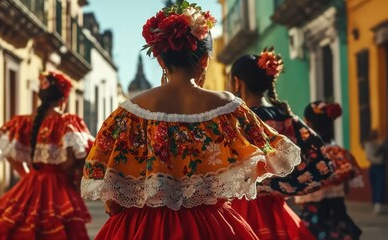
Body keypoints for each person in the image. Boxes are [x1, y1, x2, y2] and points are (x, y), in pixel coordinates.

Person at [80, 2, 302, 239]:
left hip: (142, 227)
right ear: (205, 59)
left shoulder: (126, 115)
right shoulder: (229, 109)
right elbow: (264, 162)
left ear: (161, 60)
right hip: (212, 226)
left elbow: (112, 198)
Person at [228, 49, 343, 240]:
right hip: (275, 209)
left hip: (241, 209)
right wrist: (283, 186)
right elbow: (323, 163)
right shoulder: (288, 119)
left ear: (237, 83)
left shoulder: (235, 120)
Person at [0, 71, 94, 240]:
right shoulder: (66, 123)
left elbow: (10, 154)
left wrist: (27, 175)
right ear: (63, 99)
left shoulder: (23, 122)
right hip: (59, 186)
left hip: (30, 183)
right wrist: (74, 174)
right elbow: (70, 162)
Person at [295, 101, 362, 240]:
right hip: (339, 219)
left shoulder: (305, 156)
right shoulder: (342, 154)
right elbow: (346, 190)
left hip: (312, 220)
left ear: (307, 122)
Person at [364, 130, 387, 214]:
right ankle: (378, 204)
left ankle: (376, 204)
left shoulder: (369, 144)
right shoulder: (376, 144)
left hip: (374, 166)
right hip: (379, 166)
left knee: (376, 185)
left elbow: (369, 157)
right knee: (379, 185)